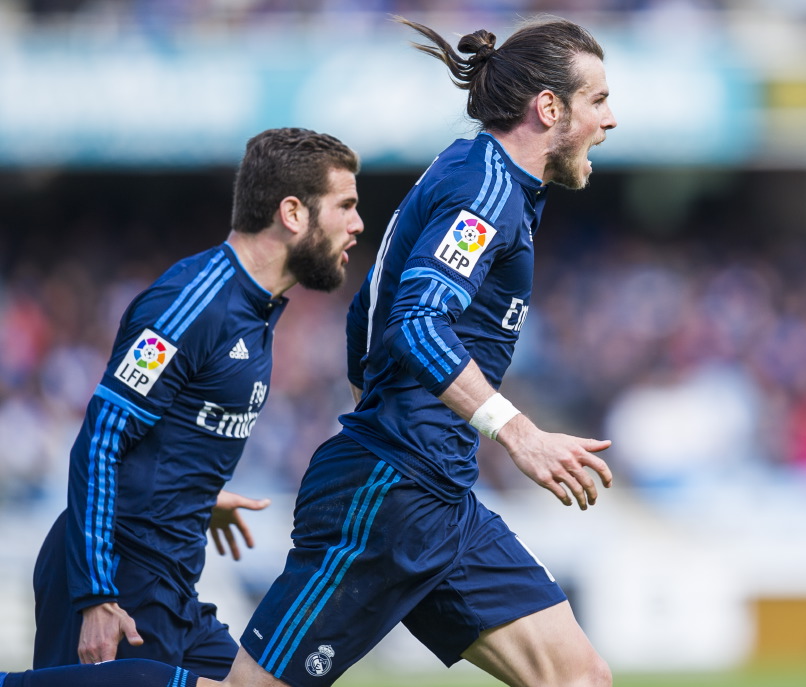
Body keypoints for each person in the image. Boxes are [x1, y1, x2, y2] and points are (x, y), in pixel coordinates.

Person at [1, 13, 616, 687]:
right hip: (394, 490)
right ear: (548, 106)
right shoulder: (485, 190)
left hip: (436, 487)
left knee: (579, 677)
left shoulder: (483, 181)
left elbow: (368, 317)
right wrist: (516, 432)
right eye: (598, 101)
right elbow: (411, 320)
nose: (609, 120)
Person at [28, 127, 364, 679]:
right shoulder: (192, 303)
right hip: (119, 577)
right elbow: (101, 439)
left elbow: (164, 434)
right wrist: (95, 595)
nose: (356, 224)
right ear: (293, 213)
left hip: (170, 582)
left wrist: (196, 494)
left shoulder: (256, 311)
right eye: (345, 205)